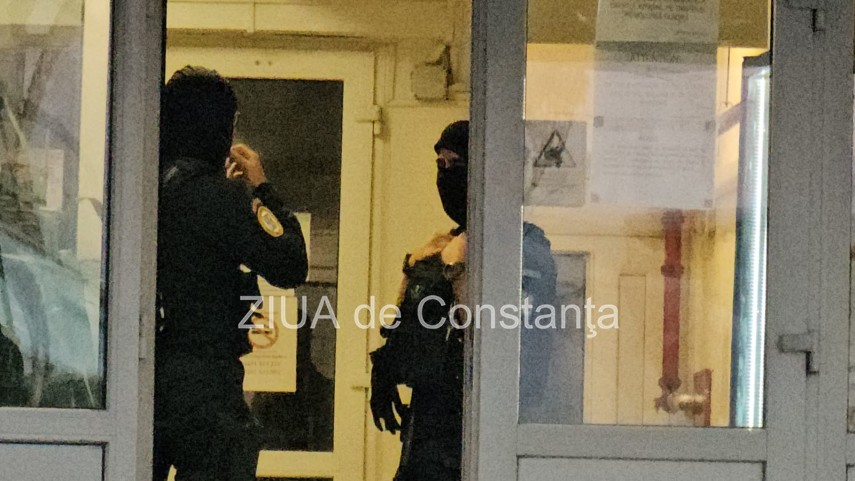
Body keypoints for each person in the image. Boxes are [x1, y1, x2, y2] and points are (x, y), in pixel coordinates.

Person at [369, 120, 558, 481]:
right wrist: (386, 366)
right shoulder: (450, 243)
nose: (445, 176)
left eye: (455, 165)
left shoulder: (524, 250)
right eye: (440, 165)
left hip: (480, 445)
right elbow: (419, 333)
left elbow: (497, 350)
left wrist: (455, 270)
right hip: (427, 444)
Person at [154, 66, 308, 481]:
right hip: (205, 382)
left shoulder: (145, 190)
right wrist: (260, 188)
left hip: (144, 375)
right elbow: (291, 263)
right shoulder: (221, 197)